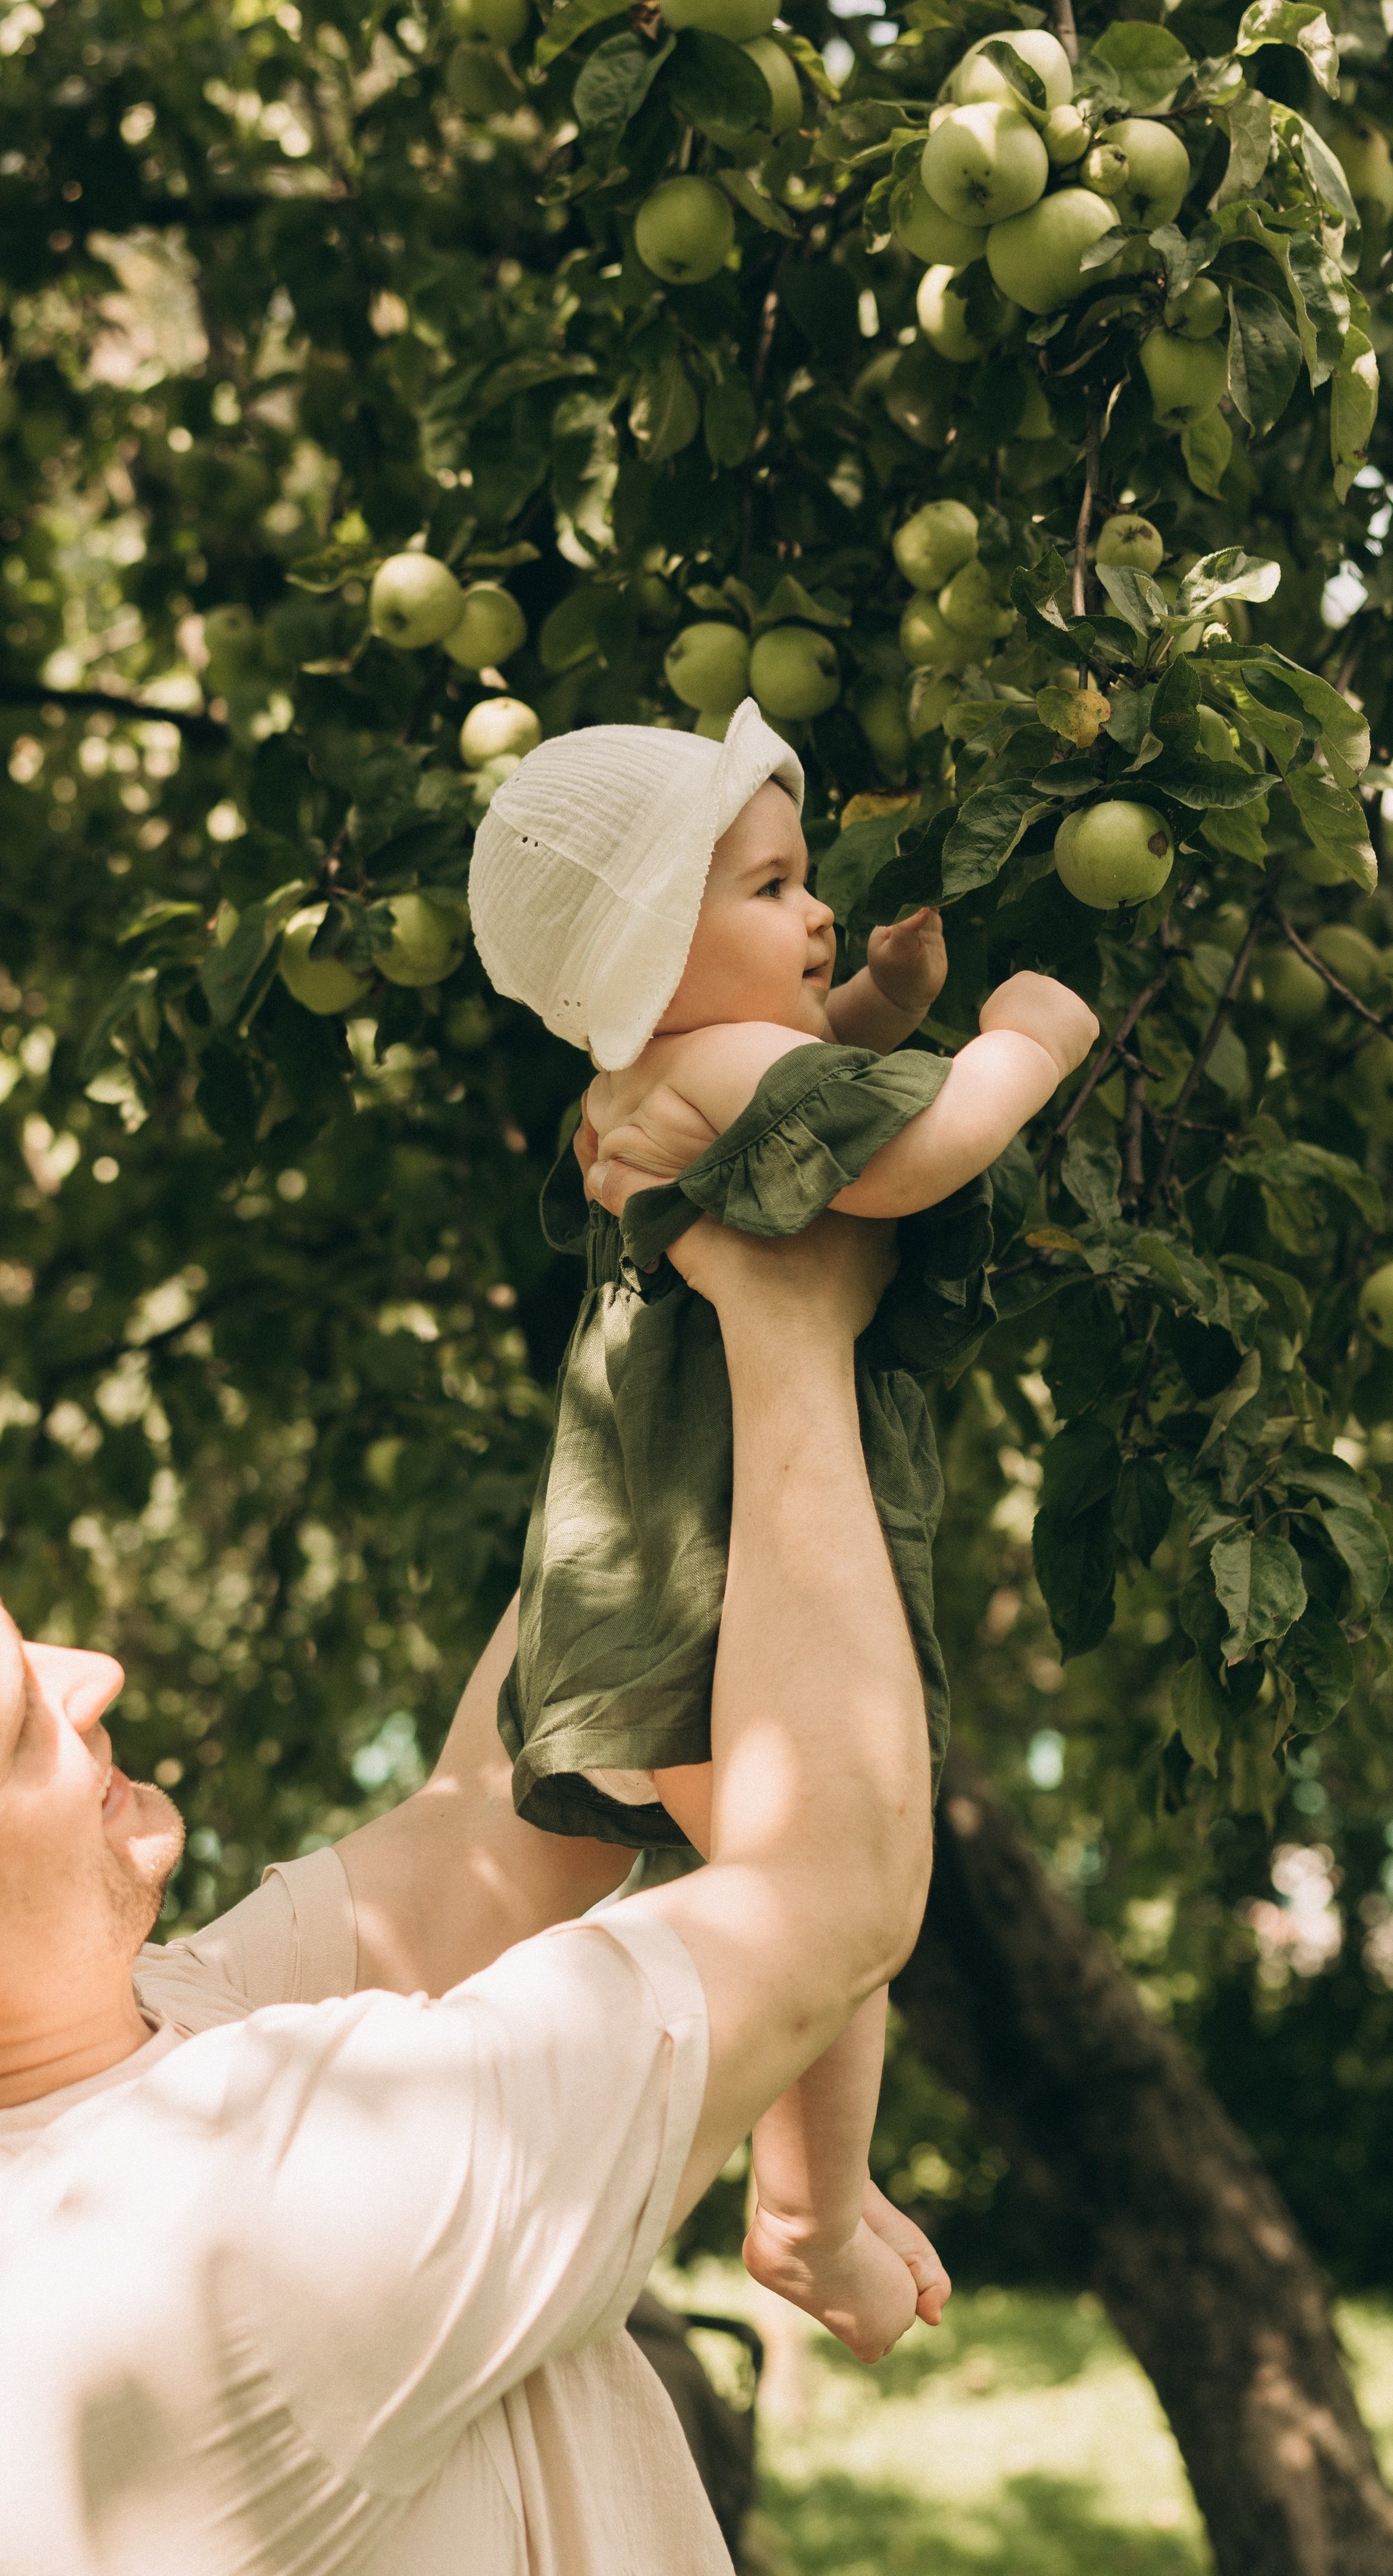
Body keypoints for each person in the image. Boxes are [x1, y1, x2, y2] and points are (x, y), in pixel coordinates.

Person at [0, 1197, 937, 2575]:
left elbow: (511, 1822)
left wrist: (669, 1241)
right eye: (16, 1724)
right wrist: (789, 1325)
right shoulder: (231, 2227)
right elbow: (834, 1883)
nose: (92, 1677)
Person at [468, 699, 1098, 2360]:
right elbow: (907, 1156)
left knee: (787, 1900)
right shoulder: (727, 1062)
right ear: (648, 957)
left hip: (641, 1582)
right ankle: (808, 2209)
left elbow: (811, 1081)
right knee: (818, 1887)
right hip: (727, 1580)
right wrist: (1017, 1046)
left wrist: (876, 1000)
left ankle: (816, 2188)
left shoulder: (649, 1075)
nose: (813, 912)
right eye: (768, 889)